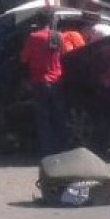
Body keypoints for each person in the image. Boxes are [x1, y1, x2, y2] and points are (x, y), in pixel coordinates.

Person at [20, 12, 67, 156]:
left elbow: (23, 59)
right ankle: (61, 148)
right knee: (58, 117)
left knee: (43, 118)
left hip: (40, 82)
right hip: (57, 81)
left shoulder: (33, 37)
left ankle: (46, 150)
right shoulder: (58, 36)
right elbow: (65, 54)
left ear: (37, 22)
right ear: (51, 21)